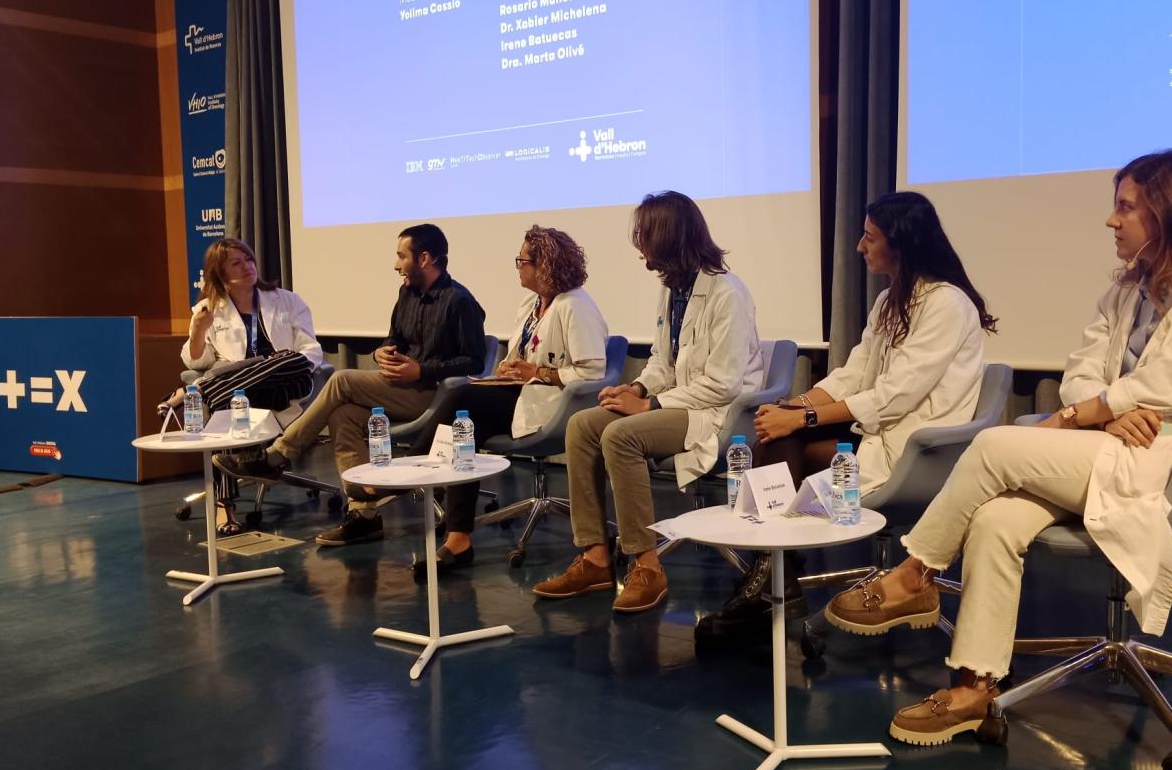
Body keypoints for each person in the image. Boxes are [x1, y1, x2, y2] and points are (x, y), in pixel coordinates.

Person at [824, 149, 1172, 747]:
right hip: (1106, 447)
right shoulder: (1128, 290)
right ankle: (975, 686)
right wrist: (1098, 412)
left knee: (994, 446)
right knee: (995, 519)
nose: (1111, 221)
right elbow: (1081, 371)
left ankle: (915, 572)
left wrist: (1084, 414)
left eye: (1126, 208)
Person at [696, 191, 996, 640]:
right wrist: (793, 407)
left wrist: (801, 419)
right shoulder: (891, 300)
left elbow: (894, 397)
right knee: (776, 438)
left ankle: (770, 582)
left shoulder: (947, 305)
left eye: (870, 237)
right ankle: (774, 578)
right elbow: (853, 374)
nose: (859, 246)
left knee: (786, 440)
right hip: (879, 435)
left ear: (901, 243)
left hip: (918, 454)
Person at [532, 191, 764, 613]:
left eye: (645, 237)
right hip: (681, 403)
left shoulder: (727, 294)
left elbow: (725, 385)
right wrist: (637, 389)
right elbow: (662, 359)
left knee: (621, 435)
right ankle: (595, 558)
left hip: (715, 413)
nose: (640, 248)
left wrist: (652, 406)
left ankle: (647, 565)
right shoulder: (673, 290)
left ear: (670, 237)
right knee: (583, 425)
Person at [217, 223, 487, 545]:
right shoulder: (407, 293)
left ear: (425, 258)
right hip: (400, 388)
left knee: (342, 379)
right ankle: (364, 515)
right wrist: (382, 351)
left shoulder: (459, 301)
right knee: (343, 415)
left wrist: (422, 371)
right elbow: (395, 338)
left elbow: (475, 361)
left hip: (434, 395)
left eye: (402, 256)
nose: (396, 265)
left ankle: (277, 455)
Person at [415, 225, 608, 572]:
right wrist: (509, 367)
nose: (517, 267)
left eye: (522, 261)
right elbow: (523, 356)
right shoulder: (531, 305)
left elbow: (592, 373)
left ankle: (409, 467)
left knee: (463, 400)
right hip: (524, 395)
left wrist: (538, 373)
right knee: (465, 424)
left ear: (544, 266)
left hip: (557, 405)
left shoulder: (576, 306)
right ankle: (458, 538)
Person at [164, 238, 324, 535]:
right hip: (240, 393)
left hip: (287, 383)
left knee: (287, 358)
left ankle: (200, 390)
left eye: (249, 259)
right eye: (236, 263)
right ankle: (224, 504)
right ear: (220, 273)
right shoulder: (208, 309)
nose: (247, 267)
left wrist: (274, 363)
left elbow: (310, 350)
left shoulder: (287, 300)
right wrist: (197, 330)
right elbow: (197, 360)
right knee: (229, 402)